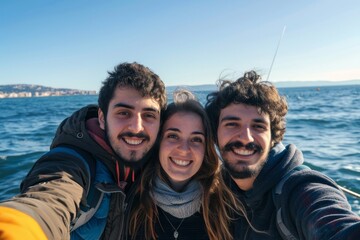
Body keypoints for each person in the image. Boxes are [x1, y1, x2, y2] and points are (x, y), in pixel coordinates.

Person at [0, 62, 167, 240]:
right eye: (123, 113)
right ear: (102, 118)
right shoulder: (73, 163)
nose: (136, 127)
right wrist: (17, 229)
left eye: (149, 115)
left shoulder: (164, 161)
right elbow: (50, 200)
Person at [205, 70, 360, 239]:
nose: (246, 137)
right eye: (232, 124)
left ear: (273, 137)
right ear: (215, 133)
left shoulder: (297, 189)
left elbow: (333, 224)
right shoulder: (217, 191)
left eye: (258, 127)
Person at [128, 89, 248, 240]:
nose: (184, 149)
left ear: (206, 148)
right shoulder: (131, 194)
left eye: (196, 139)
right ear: (159, 141)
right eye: (173, 136)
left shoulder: (227, 200)